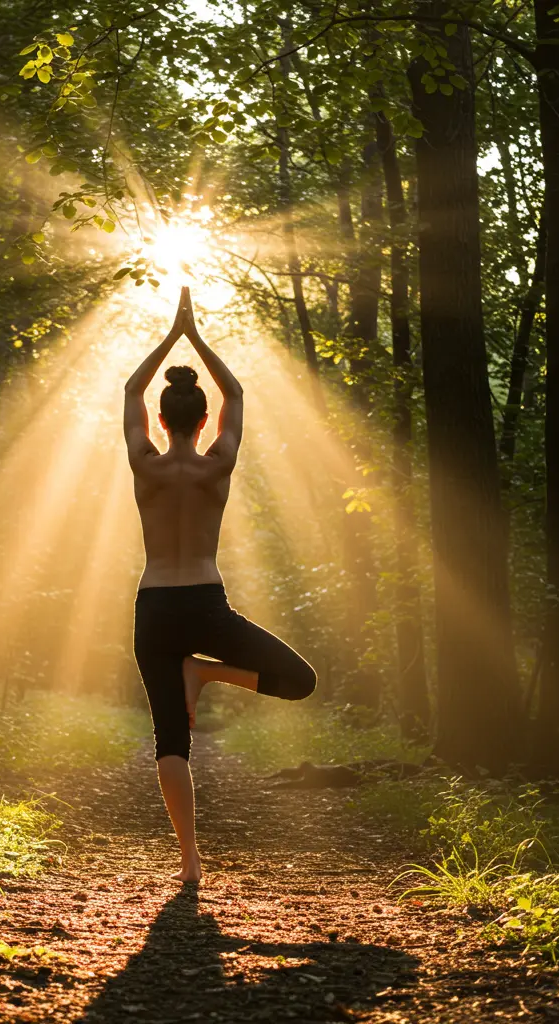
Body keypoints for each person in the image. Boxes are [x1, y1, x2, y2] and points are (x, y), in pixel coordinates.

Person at [123, 285, 317, 883]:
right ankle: (205, 672)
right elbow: (235, 393)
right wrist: (196, 336)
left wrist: (170, 336)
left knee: (170, 740)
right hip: (205, 605)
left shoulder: (144, 463)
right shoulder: (219, 464)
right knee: (301, 681)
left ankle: (189, 861)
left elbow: (131, 390)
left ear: (161, 420)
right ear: (204, 421)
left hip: (155, 607)